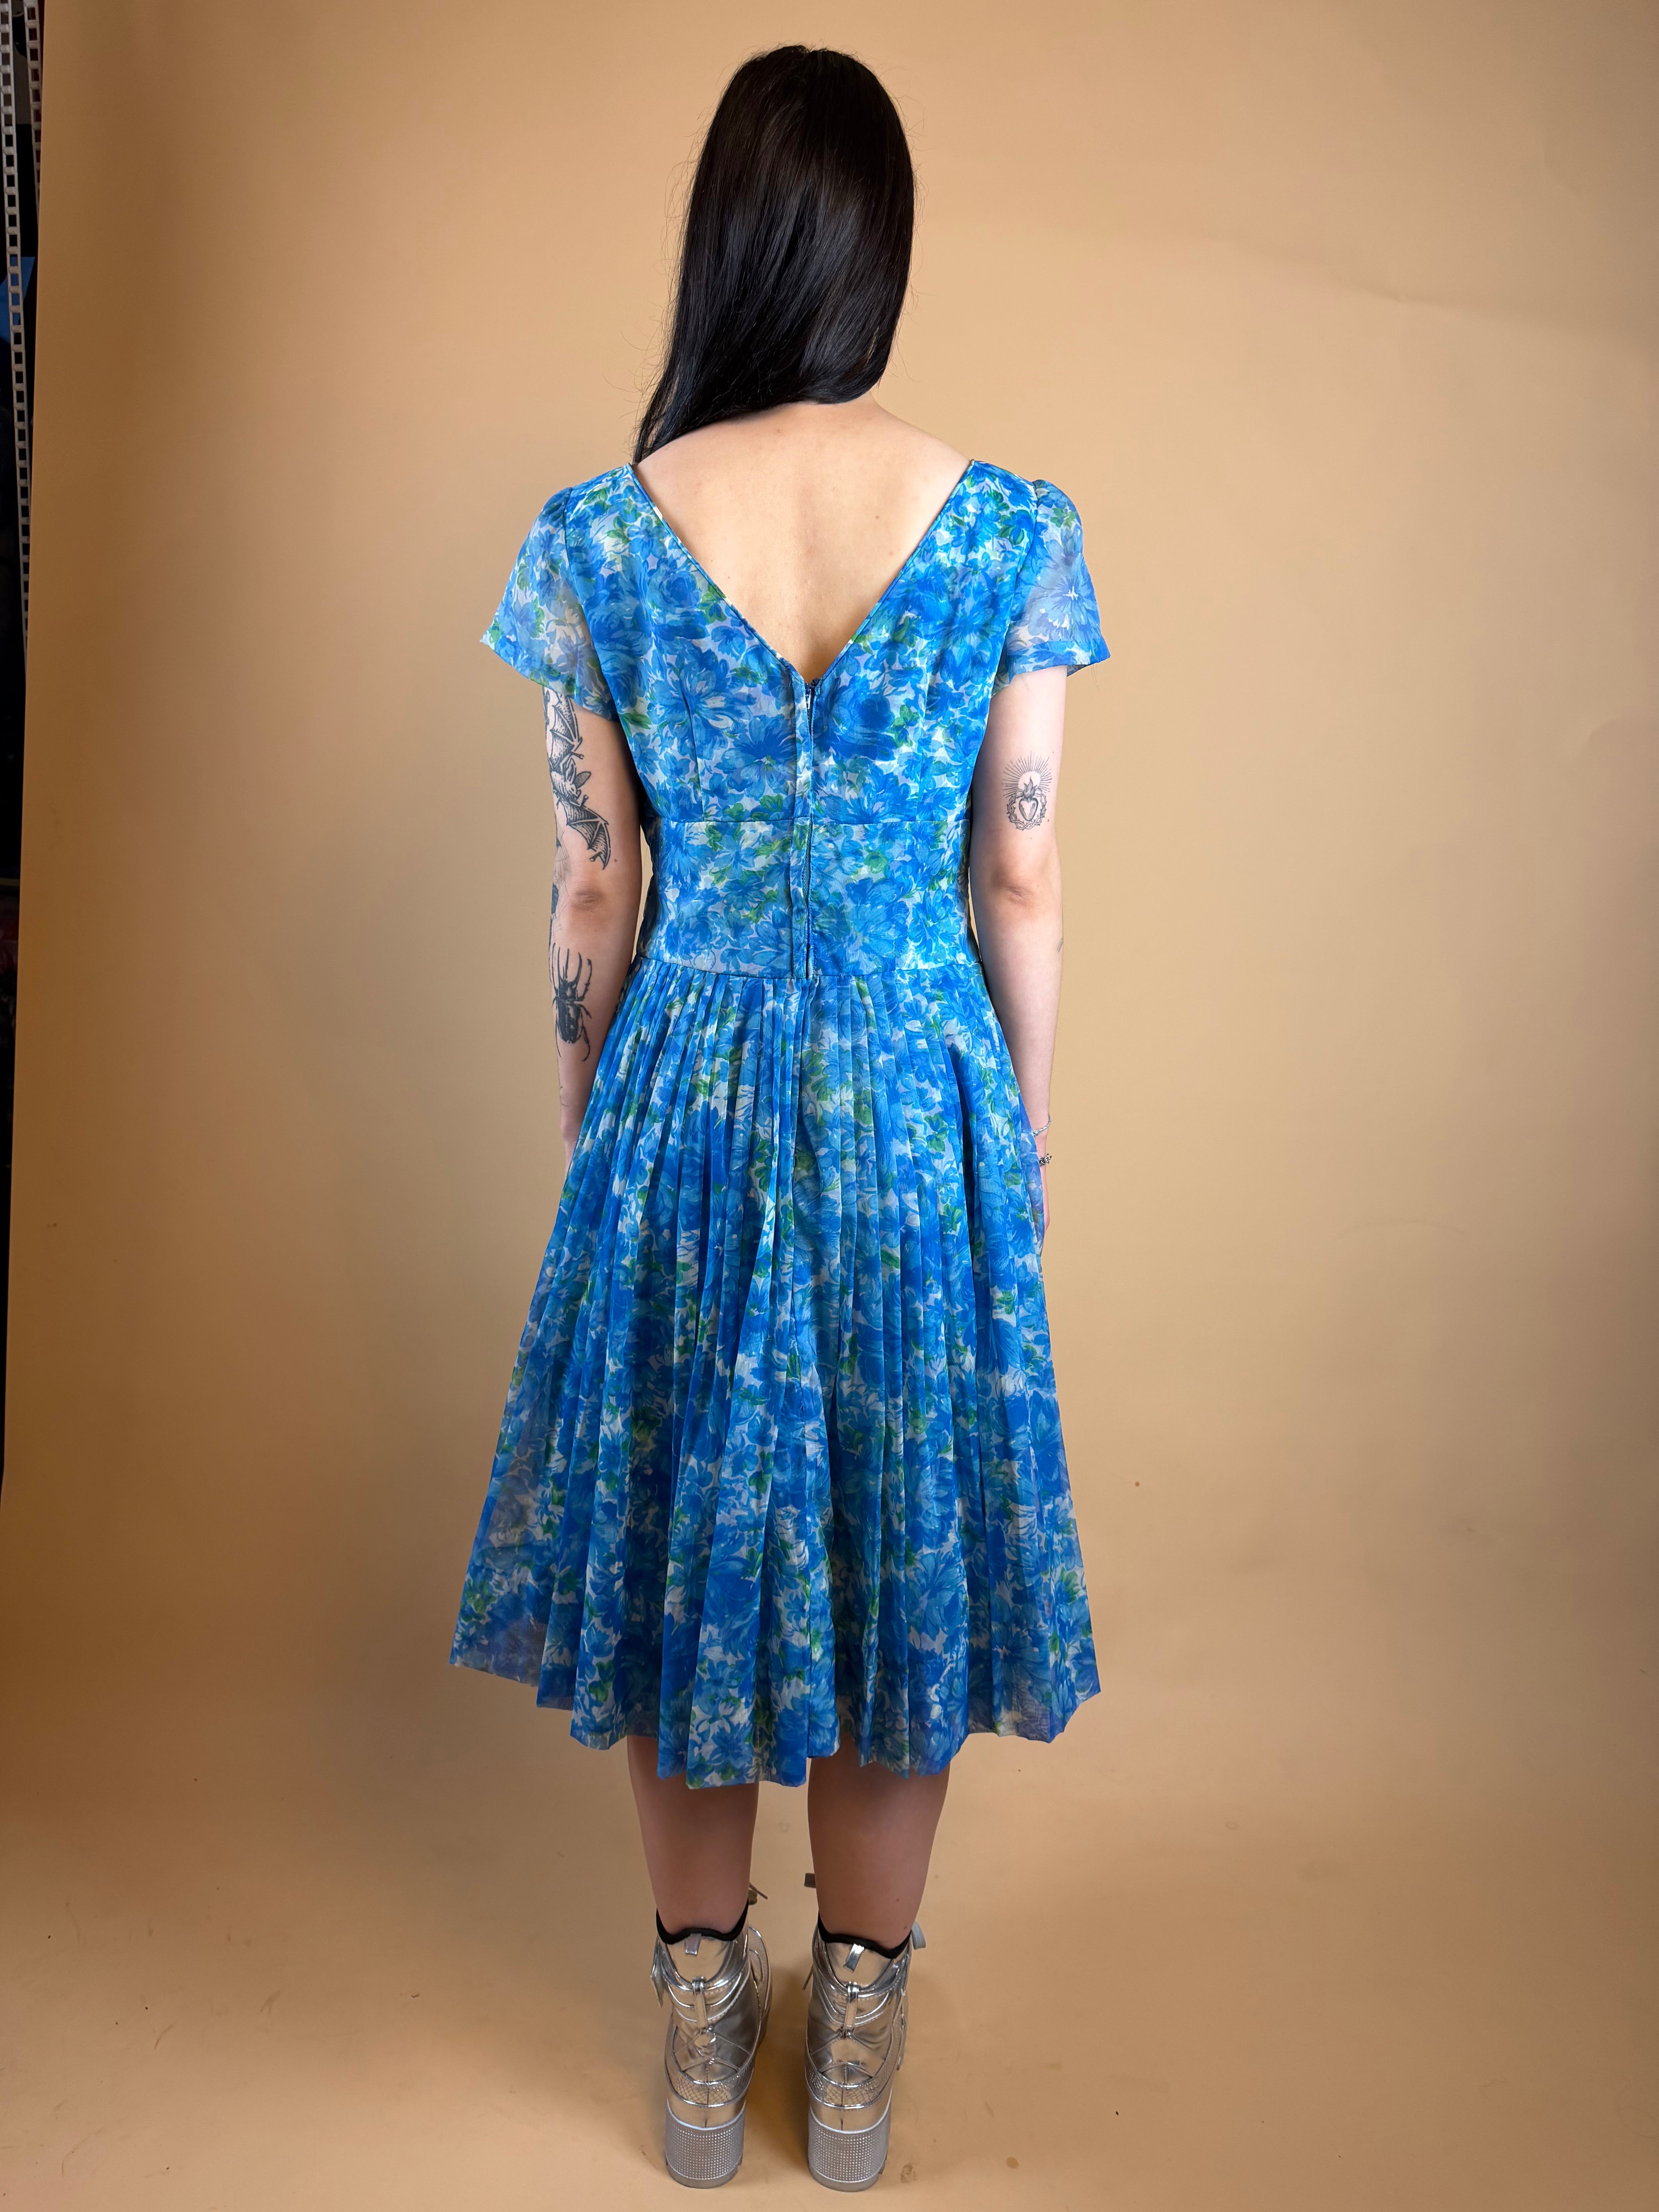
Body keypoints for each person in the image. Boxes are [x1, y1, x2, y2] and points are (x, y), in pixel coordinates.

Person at [452, 44, 1108, 2192]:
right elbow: (1020, 874)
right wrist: (1012, 1132)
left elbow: (591, 894)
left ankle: (696, 2024)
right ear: (879, 253)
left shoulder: (603, 536)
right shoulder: (1006, 528)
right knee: (897, 1557)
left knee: (685, 1552)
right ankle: (857, 2057)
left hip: (688, 1091)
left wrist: (594, 1124)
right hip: (917, 1092)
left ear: (724, 242)